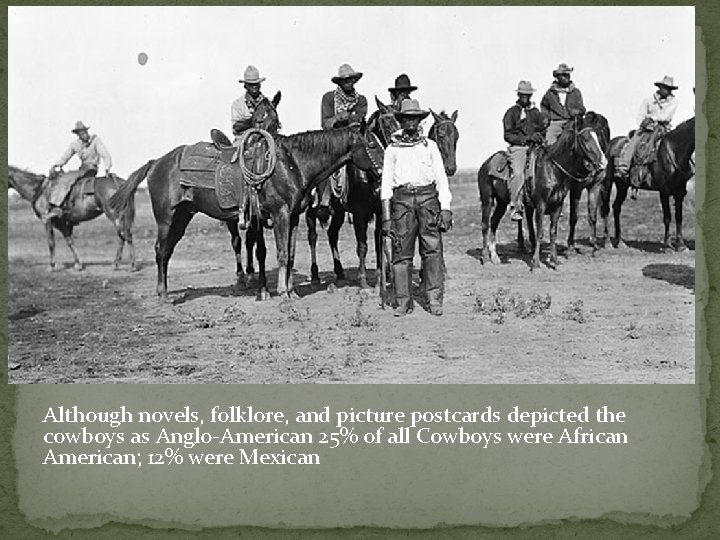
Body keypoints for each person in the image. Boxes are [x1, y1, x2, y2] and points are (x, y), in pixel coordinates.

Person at [380, 99, 453, 317]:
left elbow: (441, 177)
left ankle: (433, 298)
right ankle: (403, 300)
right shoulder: (392, 149)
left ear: (419, 120)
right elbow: (386, 184)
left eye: (414, 118)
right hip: (402, 202)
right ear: (401, 121)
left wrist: (446, 207)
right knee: (401, 253)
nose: (411, 122)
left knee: (432, 250)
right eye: (406, 118)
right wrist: (386, 217)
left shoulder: (430, 146)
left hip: (428, 200)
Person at [317, 64, 369, 211]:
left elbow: (359, 120)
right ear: (339, 82)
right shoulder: (328, 98)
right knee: (323, 165)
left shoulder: (361, 100)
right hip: (334, 141)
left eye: (350, 79)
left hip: (354, 140)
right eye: (345, 80)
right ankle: (322, 199)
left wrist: (347, 118)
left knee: (370, 161)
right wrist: (341, 116)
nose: (348, 82)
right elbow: (326, 124)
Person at [43, 121, 112, 222]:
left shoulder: (95, 140)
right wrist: (56, 165)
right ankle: (64, 205)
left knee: (65, 179)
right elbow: (65, 158)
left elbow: (105, 154)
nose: (84, 134)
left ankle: (55, 206)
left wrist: (107, 168)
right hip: (83, 168)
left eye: (85, 132)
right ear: (78, 134)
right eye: (82, 133)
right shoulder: (75, 145)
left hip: (91, 169)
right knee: (64, 177)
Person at [616, 76, 679, 181]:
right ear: (660, 87)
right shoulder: (648, 100)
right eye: (664, 87)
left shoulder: (673, 102)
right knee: (635, 141)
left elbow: (666, 115)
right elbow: (640, 115)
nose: (666, 90)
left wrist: (652, 118)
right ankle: (623, 167)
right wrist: (644, 123)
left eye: (668, 89)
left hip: (662, 128)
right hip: (647, 128)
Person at [503, 80, 548, 221]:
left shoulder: (535, 112)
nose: (526, 97)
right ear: (519, 94)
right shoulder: (512, 113)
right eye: (523, 94)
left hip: (536, 147)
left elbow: (542, 127)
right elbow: (508, 134)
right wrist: (526, 138)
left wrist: (541, 134)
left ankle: (551, 202)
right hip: (519, 148)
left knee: (549, 167)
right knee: (518, 173)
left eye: (528, 95)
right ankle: (516, 205)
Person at [540, 63, 586, 145]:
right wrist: (546, 118)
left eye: (568, 75)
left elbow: (582, 108)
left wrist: (578, 111)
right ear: (558, 77)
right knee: (549, 141)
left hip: (572, 122)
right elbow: (544, 106)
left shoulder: (575, 92)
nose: (566, 77)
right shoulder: (550, 93)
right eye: (563, 75)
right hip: (556, 123)